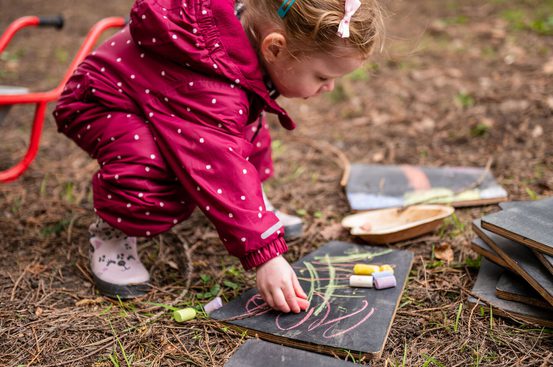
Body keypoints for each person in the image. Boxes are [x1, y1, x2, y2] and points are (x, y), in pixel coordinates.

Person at [53, 0, 383, 313]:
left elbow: (229, 144)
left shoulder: (241, 37)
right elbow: (217, 163)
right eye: (323, 77)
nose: (328, 88)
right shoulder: (211, 84)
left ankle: (254, 210)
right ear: (275, 48)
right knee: (153, 167)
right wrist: (265, 256)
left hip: (153, 95)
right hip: (102, 101)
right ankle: (113, 233)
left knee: (243, 129)